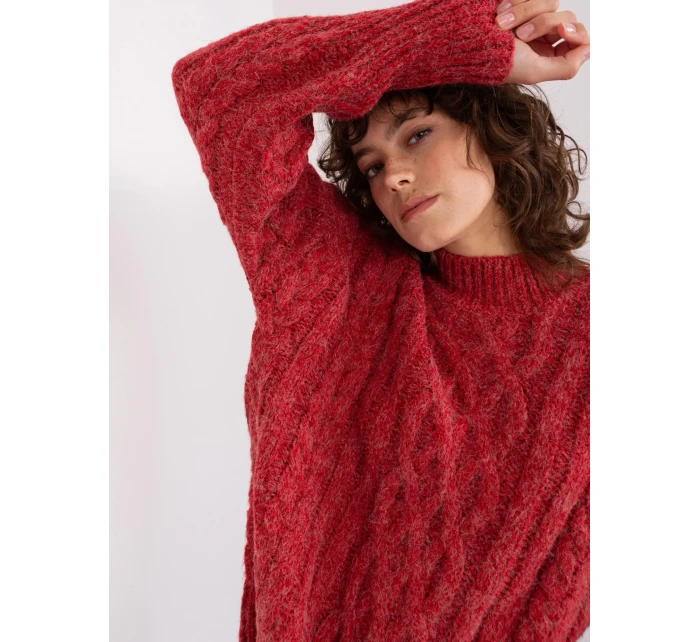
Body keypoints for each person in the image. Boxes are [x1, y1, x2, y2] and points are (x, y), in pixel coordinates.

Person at [171, 0, 590, 640]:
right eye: (371, 165)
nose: (392, 175)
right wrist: (470, 36)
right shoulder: (338, 287)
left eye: (417, 134)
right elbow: (217, 88)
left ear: (493, 127)